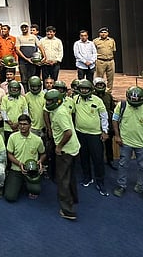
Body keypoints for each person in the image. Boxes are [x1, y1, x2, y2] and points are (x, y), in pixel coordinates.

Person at [112, 86, 143, 208]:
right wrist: (117, 135)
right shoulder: (122, 106)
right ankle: (121, 186)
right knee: (123, 164)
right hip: (125, 142)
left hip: (141, 144)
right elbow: (115, 120)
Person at [45, 89, 80, 220]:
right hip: (73, 148)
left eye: (50, 101)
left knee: (62, 179)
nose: (47, 103)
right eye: (47, 100)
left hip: (66, 150)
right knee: (70, 176)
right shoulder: (58, 109)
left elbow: (68, 132)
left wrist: (59, 147)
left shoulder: (60, 113)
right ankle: (74, 198)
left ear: (57, 101)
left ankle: (68, 210)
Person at [73, 79, 109, 196]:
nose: (84, 91)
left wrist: (105, 131)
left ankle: (100, 182)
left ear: (91, 89)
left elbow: (104, 116)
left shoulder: (97, 100)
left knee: (98, 159)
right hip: (80, 133)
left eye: (86, 89)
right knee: (84, 157)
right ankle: (87, 177)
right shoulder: (75, 99)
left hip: (95, 135)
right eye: (82, 89)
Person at [4, 114, 46, 202]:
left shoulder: (37, 139)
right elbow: (9, 154)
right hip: (16, 169)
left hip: (32, 170)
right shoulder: (13, 137)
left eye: (25, 124)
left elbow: (43, 154)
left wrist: (40, 161)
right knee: (10, 197)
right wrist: (19, 164)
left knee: (36, 191)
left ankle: (25, 183)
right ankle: (17, 181)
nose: (22, 126)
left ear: (30, 125)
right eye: (20, 124)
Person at [16, 22, 43, 90]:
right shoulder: (19, 37)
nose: (24, 28)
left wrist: (44, 56)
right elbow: (17, 50)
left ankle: (32, 92)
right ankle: (25, 93)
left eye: (25, 27)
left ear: (28, 28)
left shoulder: (33, 37)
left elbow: (40, 46)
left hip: (32, 62)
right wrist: (26, 59)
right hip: (22, 62)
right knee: (24, 79)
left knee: (32, 79)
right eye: (22, 27)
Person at [93, 27, 117, 92]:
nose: (103, 34)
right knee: (99, 78)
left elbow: (114, 50)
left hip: (110, 61)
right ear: (99, 33)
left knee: (110, 78)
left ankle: (109, 92)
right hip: (100, 61)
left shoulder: (111, 41)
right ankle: (99, 91)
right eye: (102, 32)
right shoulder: (95, 41)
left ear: (107, 33)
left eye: (105, 32)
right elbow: (93, 52)